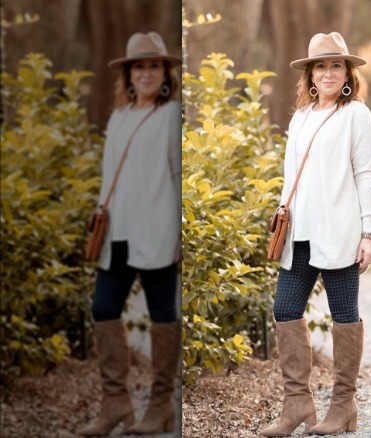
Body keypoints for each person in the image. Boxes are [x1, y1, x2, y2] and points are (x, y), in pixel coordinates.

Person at [259, 32, 371, 437]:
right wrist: (282, 218)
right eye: (321, 66)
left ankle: (344, 406)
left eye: (336, 65)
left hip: (340, 232)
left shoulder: (357, 115)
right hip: (300, 232)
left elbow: (365, 175)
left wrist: (369, 233)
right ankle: (297, 404)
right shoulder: (301, 116)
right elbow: (290, 176)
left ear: (347, 73)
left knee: (344, 315)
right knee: (285, 309)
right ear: (310, 74)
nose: (328, 73)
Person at [77, 31, 182, 437]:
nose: (146, 73)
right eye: (139, 66)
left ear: (166, 73)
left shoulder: (171, 116)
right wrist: (99, 219)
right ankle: (116, 403)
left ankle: (161, 405)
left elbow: (176, 176)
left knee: (163, 315)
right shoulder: (118, 118)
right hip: (116, 233)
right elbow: (109, 178)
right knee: (103, 308)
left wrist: (179, 235)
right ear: (128, 74)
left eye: (154, 65)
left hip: (157, 233)